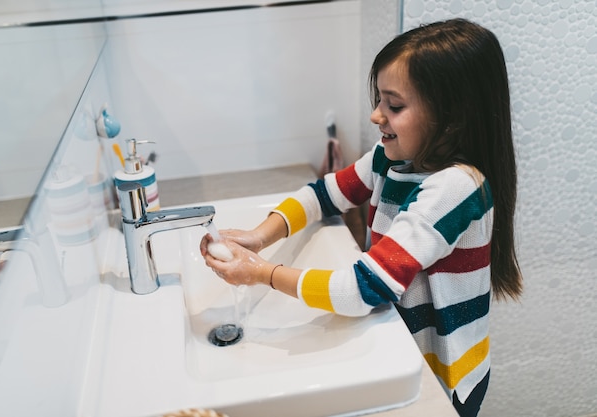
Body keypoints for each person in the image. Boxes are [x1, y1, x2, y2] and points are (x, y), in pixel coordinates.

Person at [200, 18, 522, 417]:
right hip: (407, 347)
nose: (376, 116)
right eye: (379, 101)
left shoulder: (455, 189)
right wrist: (259, 237)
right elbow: (323, 195)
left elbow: (361, 290)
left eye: (395, 105)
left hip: (445, 375)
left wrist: (261, 272)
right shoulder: (392, 159)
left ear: (451, 119)